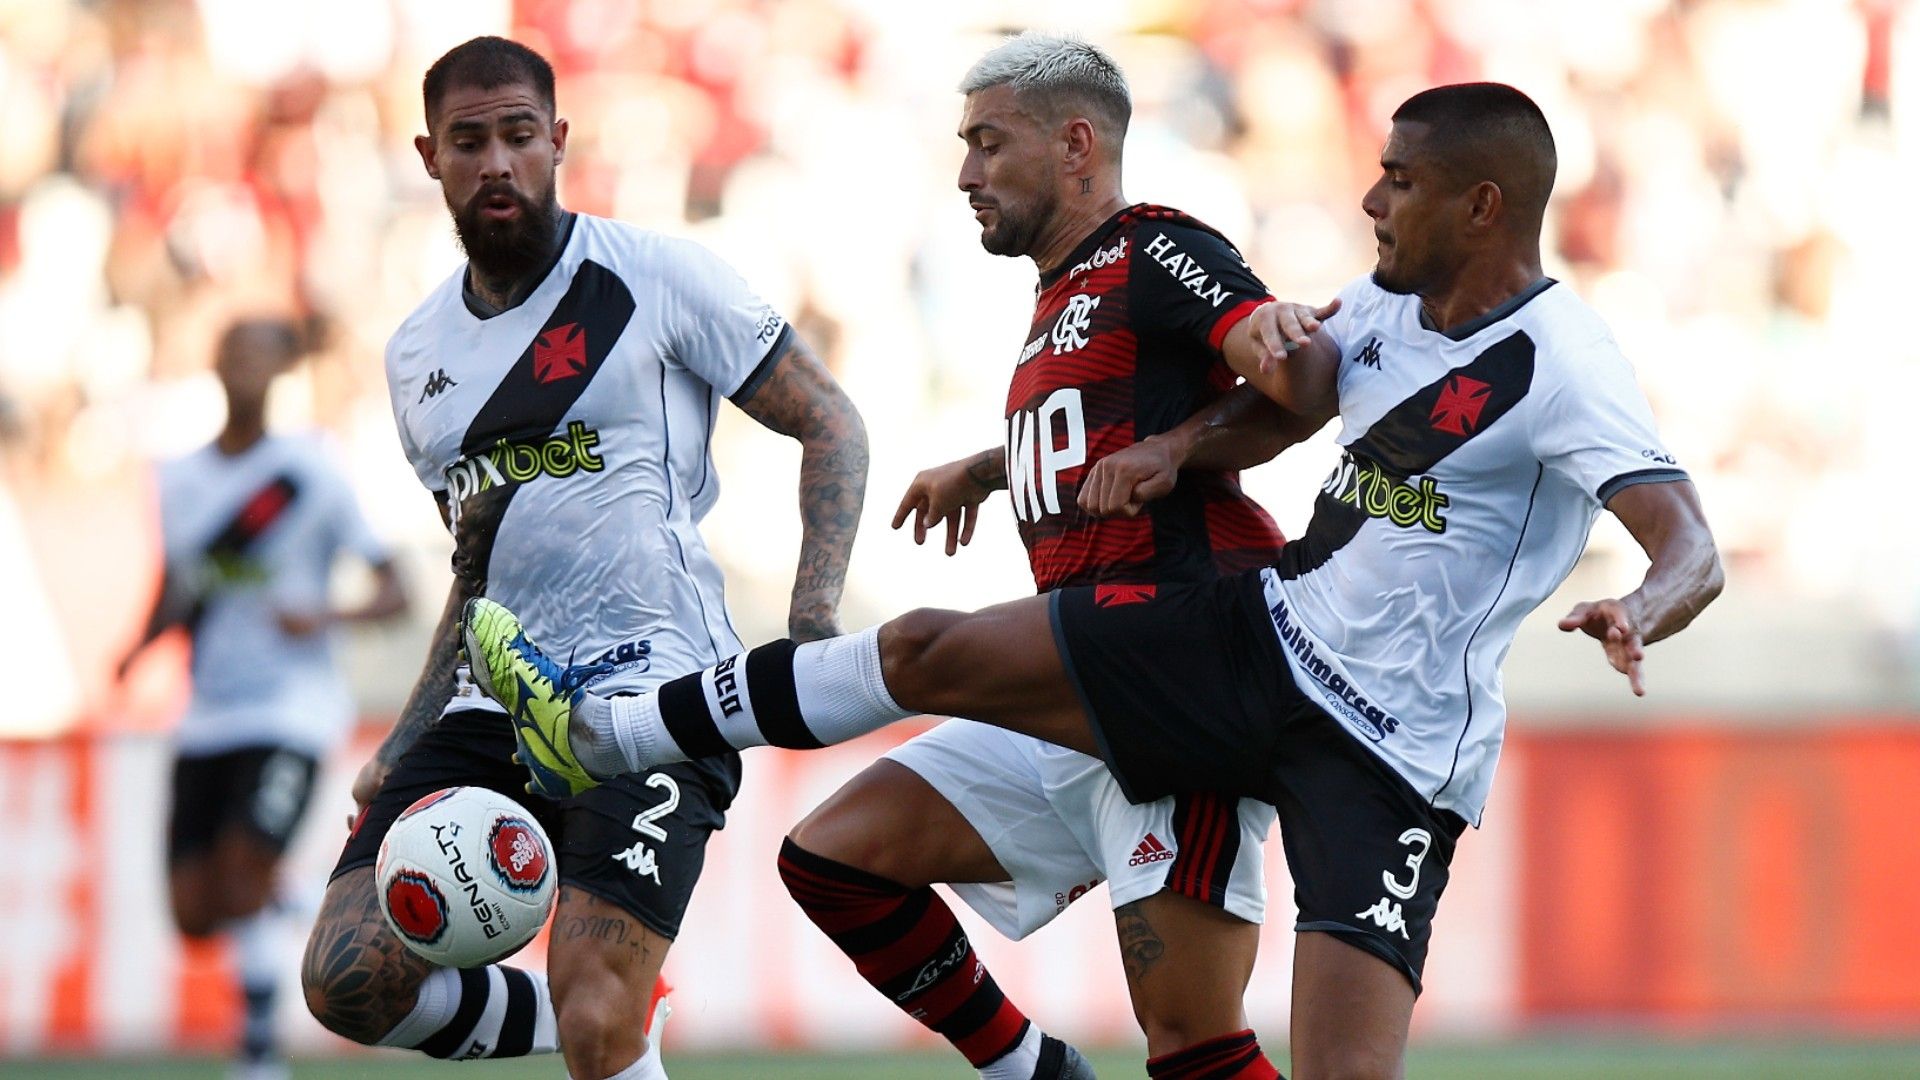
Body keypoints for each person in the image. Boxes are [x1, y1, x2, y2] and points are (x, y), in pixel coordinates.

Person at [468, 81, 1724, 1078]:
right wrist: (1173, 445)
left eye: (1399, 181)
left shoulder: (1563, 362)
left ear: (1485, 205)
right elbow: (1284, 410)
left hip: (1394, 750)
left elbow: (1689, 548)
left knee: (1287, 1058)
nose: (1369, 199)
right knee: (924, 653)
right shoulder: (1387, 310)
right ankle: (612, 730)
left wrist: (1637, 609)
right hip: (1260, 642)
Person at [297, 37, 868, 1080]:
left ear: (558, 140)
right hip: (496, 704)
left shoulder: (653, 275)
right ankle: (594, 1008)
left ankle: (604, 1011)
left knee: (603, 1023)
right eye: (470, 142)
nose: (498, 163)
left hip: (651, 694)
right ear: (430, 156)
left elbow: (830, 420)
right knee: (346, 983)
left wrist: (815, 616)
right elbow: (476, 572)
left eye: (520, 135)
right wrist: (409, 731)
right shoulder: (415, 355)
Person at [779, 32, 1328, 1080]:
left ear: (1078, 142)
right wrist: (990, 469)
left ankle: (645, 726)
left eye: (989, 143)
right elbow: (1114, 425)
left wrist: (1185, 441)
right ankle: (1032, 1068)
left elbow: (1294, 376)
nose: (966, 172)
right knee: (833, 857)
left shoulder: (1154, 246)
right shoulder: (1064, 288)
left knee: (1195, 1046)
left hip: (1173, 687)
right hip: (1074, 693)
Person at [117, 317, 409, 1080]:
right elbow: (182, 584)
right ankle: (300, 894)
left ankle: (258, 1056)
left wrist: (325, 615)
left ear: (281, 368)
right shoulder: (175, 477)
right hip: (207, 712)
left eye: (261, 352)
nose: (246, 365)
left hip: (292, 709)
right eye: (234, 350)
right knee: (193, 913)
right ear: (213, 364)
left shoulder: (308, 473)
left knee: (240, 873)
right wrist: (138, 648)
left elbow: (395, 589)